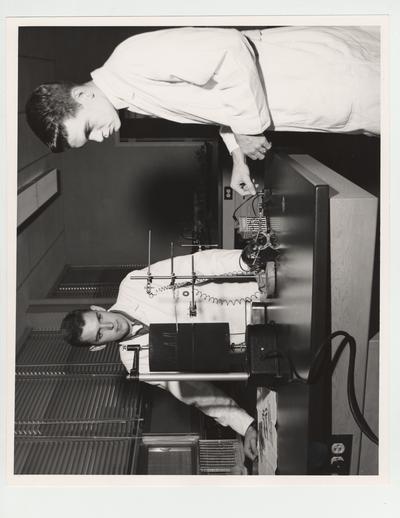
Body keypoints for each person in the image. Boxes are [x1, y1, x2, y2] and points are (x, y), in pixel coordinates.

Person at [25, 26, 380, 196]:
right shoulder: (131, 98)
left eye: (88, 130)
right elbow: (215, 100)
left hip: (322, 74)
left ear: (83, 97)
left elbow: (229, 49)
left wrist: (246, 128)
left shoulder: (131, 60)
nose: (100, 137)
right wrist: (238, 154)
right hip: (313, 102)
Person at [60, 248, 262, 460]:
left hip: (253, 290)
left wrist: (244, 261)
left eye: (100, 318)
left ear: (97, 307)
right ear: (97, 347)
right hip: (254, 339)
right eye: (100, 334)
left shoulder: (132, 286)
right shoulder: (135, 362)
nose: (111, 325)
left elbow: (195, 264)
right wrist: (245, 424)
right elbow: (195, 392)